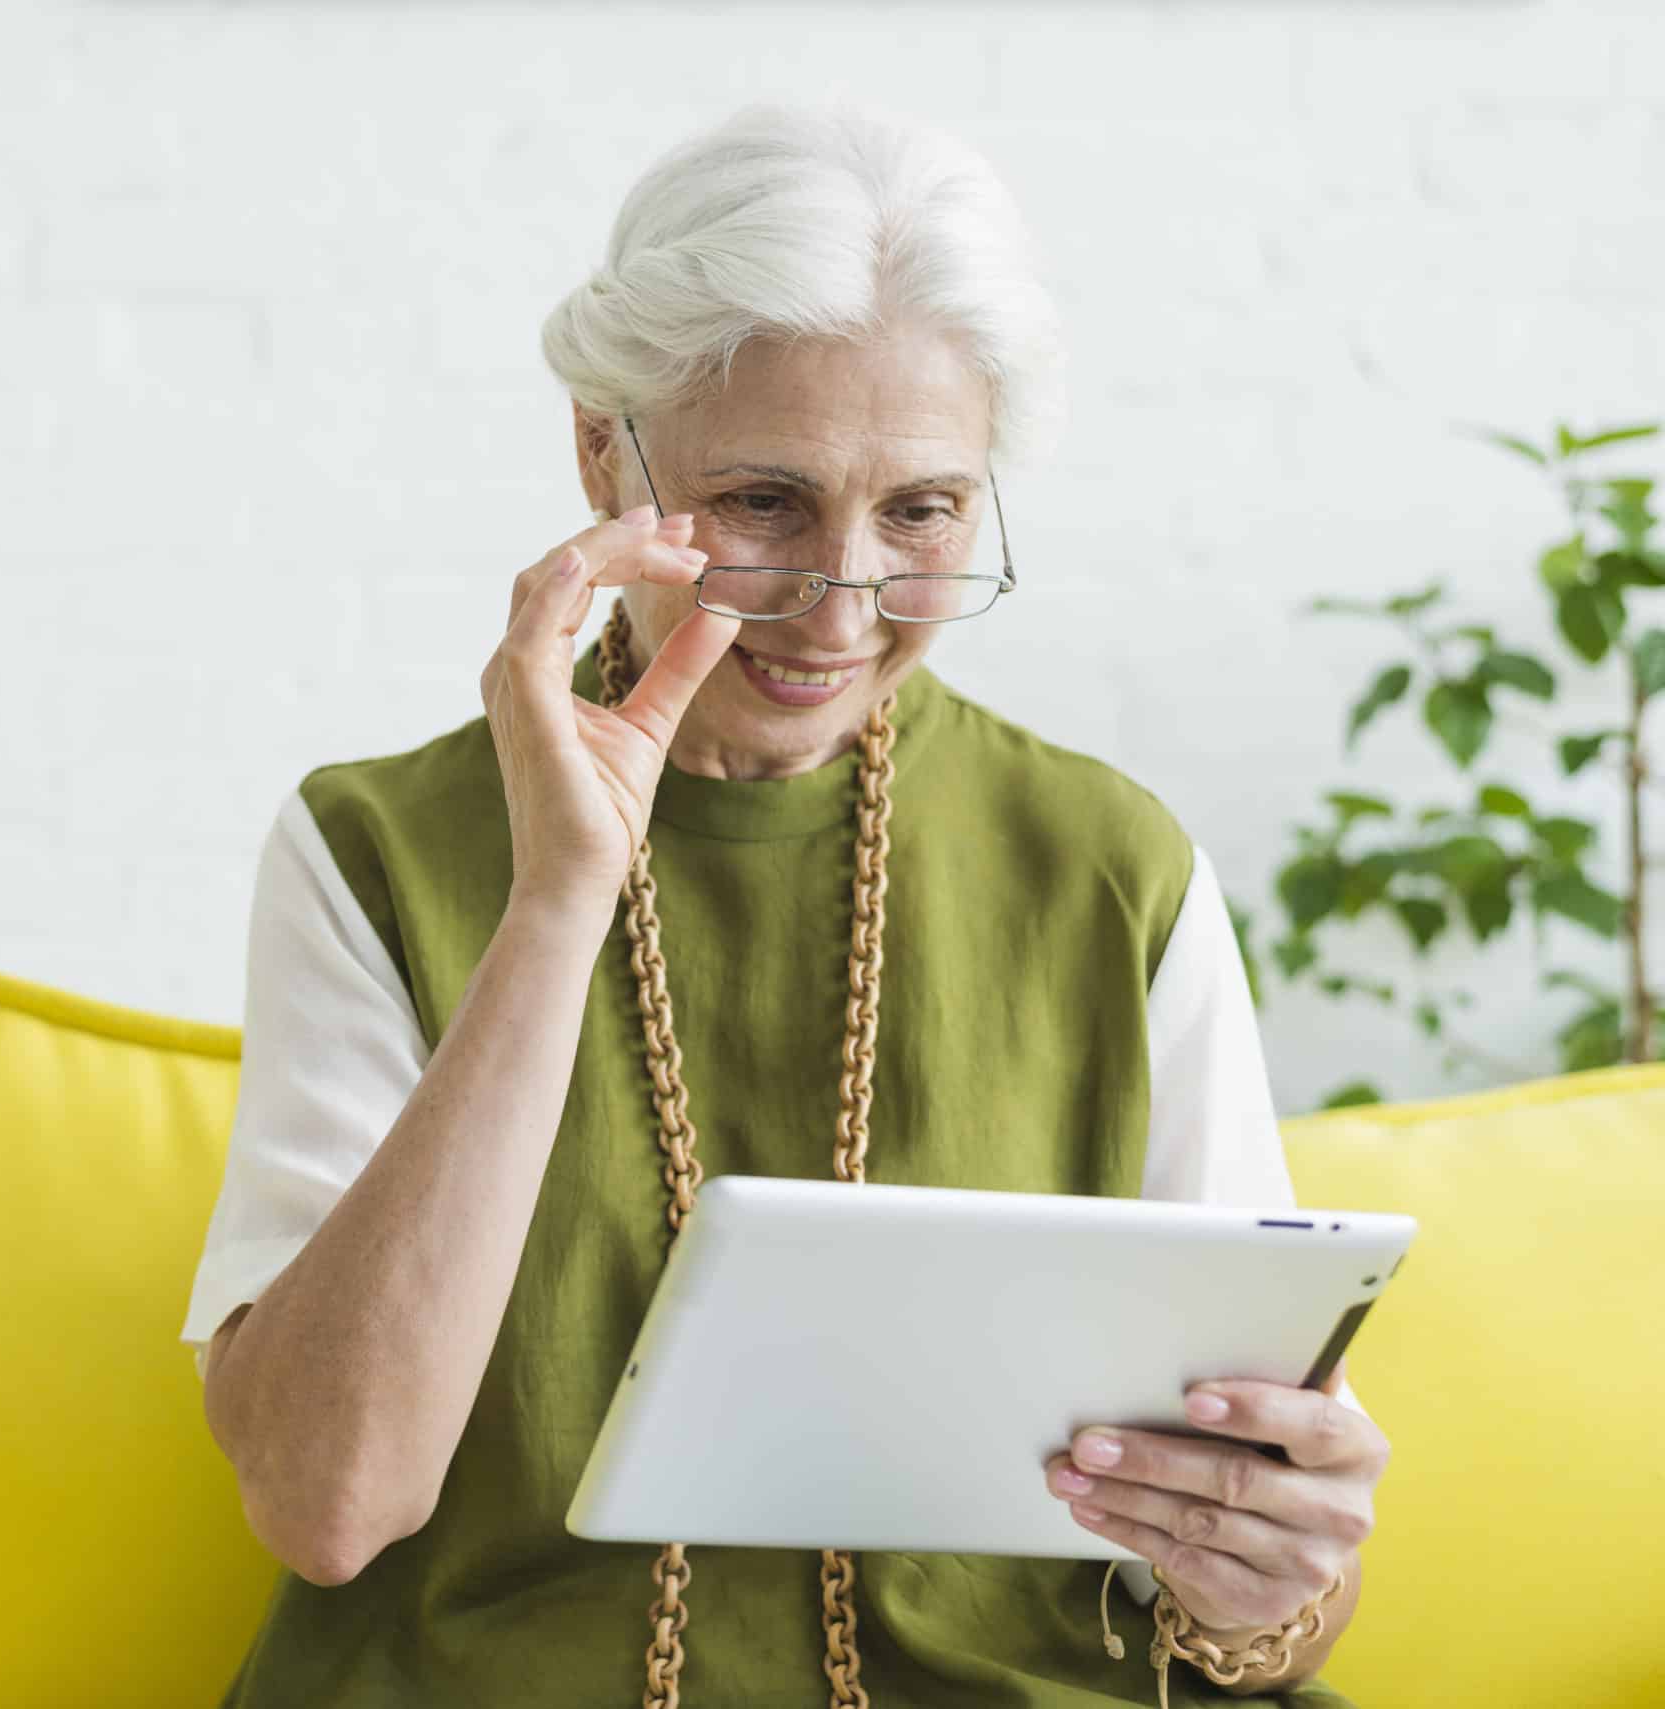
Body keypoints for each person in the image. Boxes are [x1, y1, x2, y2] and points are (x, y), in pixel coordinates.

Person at [180, 101, 1387, 1708]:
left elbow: (1259, 1568)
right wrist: (555, 903)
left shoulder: (1114, 864)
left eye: (925, 511)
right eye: (762, 502)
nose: (846, 597)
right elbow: (330, 1500)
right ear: (605, 452)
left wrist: (1272, 1573)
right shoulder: (376, 849)